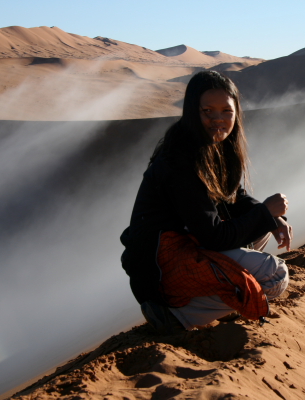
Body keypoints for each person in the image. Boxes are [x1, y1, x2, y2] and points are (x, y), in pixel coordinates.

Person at [120, 71, 291, 335]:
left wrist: (272, 218)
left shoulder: (213, 147)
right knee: (276, 275)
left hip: (191, 244)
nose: (218, 119)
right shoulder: (181, 161)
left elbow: (234, 197)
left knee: (260, 229)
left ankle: (218, 297)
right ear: (192, 112)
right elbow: (215, 237)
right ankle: (180, 315)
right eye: (208, 111)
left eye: (226, 111)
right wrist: (265, 212)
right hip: (165, 265)